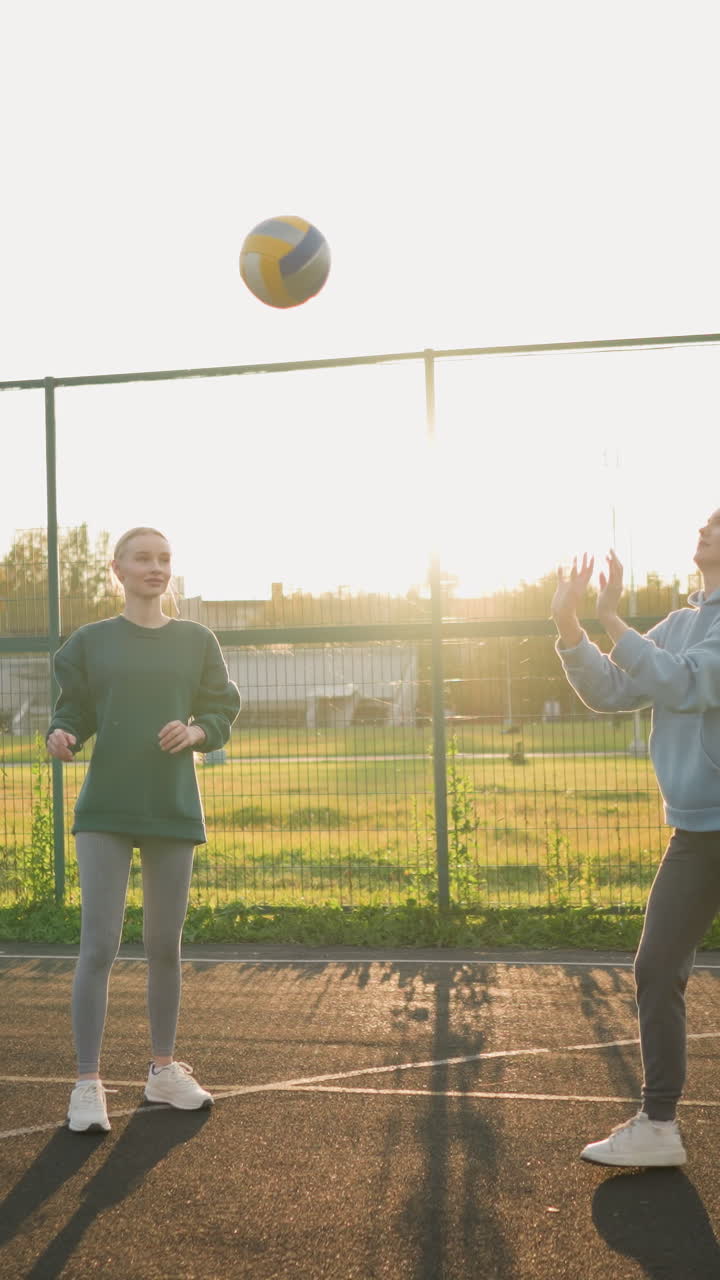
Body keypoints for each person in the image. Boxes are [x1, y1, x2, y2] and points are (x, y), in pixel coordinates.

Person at [47, 527, 241, 1133]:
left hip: (171, 806)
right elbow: (72, 710)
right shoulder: (90, 642)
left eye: (164, 559)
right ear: (119, 568)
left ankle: (162, 1071)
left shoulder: (195, 640)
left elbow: (221, 708)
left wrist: (198, 732)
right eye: (143, 559)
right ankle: (87, 1083)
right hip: (104, 809)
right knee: (99, 945)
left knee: (164, 946)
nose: (156, 568)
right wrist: (62, 734)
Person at [552, 509, 720, 1167]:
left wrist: (613, 619)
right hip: (697, 833)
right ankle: (658, 1127)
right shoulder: (679, 624)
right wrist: (570, 623)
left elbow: (681, 680)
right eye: (706, 522)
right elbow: (615, 687)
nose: (706, 530)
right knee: (655, 967)